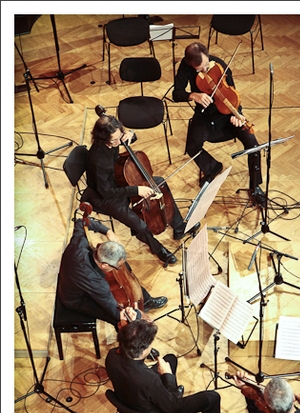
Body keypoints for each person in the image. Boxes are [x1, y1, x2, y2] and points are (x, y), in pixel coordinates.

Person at [82, 114, 199, 267]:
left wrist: (131, 134)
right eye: (115, 140)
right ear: (103, 139)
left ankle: (179, 226)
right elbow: (106, 192)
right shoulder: (99, 161)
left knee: (159, 183)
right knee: (140, 225)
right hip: (105, 197)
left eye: (120, 136)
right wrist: (136, 190)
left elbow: (127, 138)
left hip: (119, 181)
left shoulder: (115, 139)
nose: (119, 142)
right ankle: (159, 250)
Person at [105, 319, 237, 413]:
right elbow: (172, 406)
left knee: (170, 359)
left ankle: (175, 394)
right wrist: (168, 376)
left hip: (130, 400)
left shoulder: (111, 355)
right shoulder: (149, 380)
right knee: (212, 398)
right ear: (143, 350)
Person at [173, 42, 264, 198]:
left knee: (253, 145)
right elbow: (176, 94)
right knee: (192, 147)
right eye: (199, 69)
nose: (205, 70)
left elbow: (233, 96)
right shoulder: (185, 66)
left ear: (207, 55)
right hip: (205, 115)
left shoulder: (220, 67)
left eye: (206, 65)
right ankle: (213, 168)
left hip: (227, 114)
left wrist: (237, 115)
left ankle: (255, 187)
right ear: (190, 64)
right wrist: (193, 95)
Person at [58, 218, 168, 331]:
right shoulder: (98, 284)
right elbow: (117, 313)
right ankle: (124, 339)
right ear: (104, 265)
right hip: (75, 299)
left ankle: (146, 300)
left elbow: (81, 222)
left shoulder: (79, 243)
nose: (118, 268)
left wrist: (107, 231)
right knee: (118, 320)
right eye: (117, 266)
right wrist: (139, 315)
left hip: (73, 276)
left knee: (125, 276)